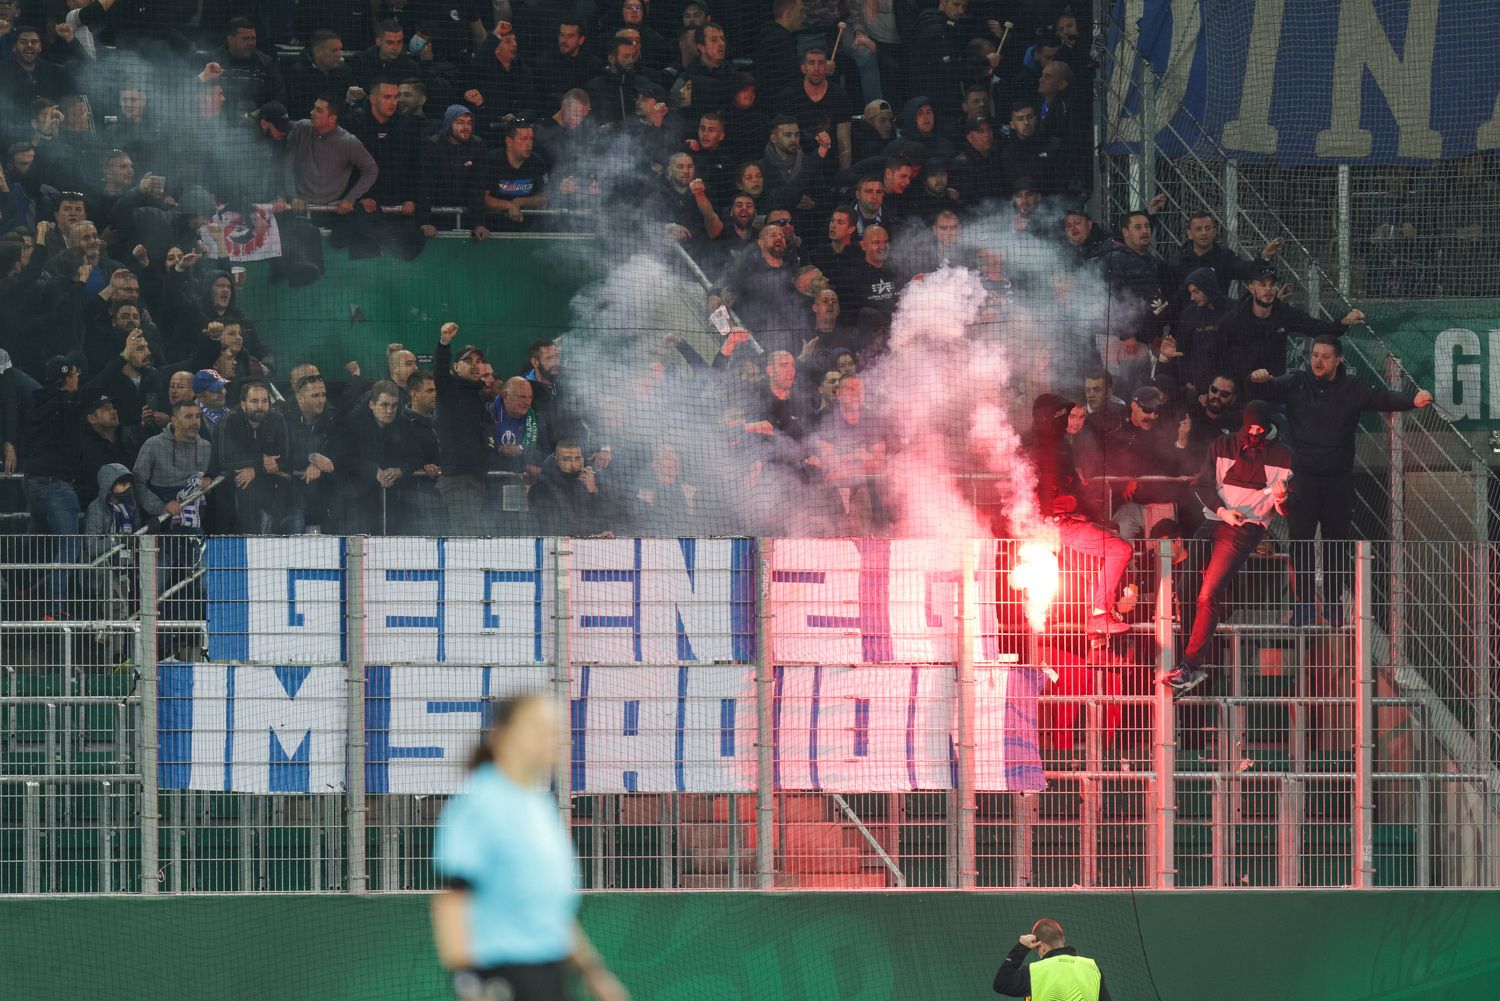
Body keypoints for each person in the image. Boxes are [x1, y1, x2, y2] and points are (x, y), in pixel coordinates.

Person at [432, 694, 629, 1001]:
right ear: (503, 737)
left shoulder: (538, 805)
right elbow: (452, 903)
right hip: (502, 976)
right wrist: (470, 983)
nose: (550, 739)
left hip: (549, 973)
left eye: (554, 730)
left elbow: (549, 911)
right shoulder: (479, 802)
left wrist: (592, 972)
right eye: (536, 727)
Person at [1249, 336, 1432, 625]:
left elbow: (1381, 399)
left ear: (1338, 360)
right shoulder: (1296, 383)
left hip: (1338, 479)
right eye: (1315, 355)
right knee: (1300, 543)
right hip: (1303, 478)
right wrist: (1260, 379)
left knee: (1337, 543)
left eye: (1325, 356)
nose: (1318, 361)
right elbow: (1267, 389)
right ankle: (1305, 604)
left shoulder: (1352, 388)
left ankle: (1333, 602)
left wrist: (1412, 400)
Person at [1165, 400, 1293, 695]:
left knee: (1209, 593)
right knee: (1186, 589)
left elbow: (1285, 509)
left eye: (1261, 429)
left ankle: (1191, 664)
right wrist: (1223, 511)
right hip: (1216, 518)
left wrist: (1283, 498)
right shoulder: (1222, 446)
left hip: (1246, 527)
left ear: (1269, 427)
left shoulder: (1283, 456)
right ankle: (1188, 661)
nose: (1255, 433)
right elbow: (1203, 485)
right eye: (1251, 428)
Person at [1025, 393, 1132, 635]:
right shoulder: (1047, 445)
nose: (1068, 421)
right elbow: (1047, 485)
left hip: (1060, 522)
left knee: (1096, 571)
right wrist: (1048, 517)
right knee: (1120, 550)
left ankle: (1099, 621)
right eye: (1064, 416)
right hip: (1060, 524)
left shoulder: (1055, 443)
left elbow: (1064, 485)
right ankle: (1099, 616)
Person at [1212, 263, 1363, 389]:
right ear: (1251, 287)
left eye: (1272, 285)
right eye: (1262, 284)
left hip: (1274, 387)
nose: (1268, 289)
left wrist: (1343, 322)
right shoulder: (1234, 319)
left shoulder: (1284, 313)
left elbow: (1315, 327)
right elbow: (1216, 354)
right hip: (1241, 389)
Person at [22, 354, 85, 618]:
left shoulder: (39, 402)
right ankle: (54, 609)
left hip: (32, 481)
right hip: (53, 484)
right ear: (67, 378)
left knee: (36, 539)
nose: (79, 376)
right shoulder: (66, 404)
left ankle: (21, 589)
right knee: (69, 546)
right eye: (75, 373)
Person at [211, 379, 297, 534]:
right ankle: (246, 540)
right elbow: (225, 459)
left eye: (265, 401)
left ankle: (276, 540)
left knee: (284, 490)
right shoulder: (230, 419)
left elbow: (284, 457)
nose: (260, 406)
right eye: (254, 401)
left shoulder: (277, 419)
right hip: (236, 480)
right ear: (243, 404)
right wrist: (260, 461)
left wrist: (255, 469)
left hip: (269, 478)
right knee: (245, 490)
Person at [434, 322, 495, 535]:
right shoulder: (450, 390)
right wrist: (444, 343)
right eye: (468, 361)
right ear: (456, 367)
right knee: (464, 541)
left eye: (479, 361)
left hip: (476, 480)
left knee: (473, 539)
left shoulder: (477, 396)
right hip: (459, 482)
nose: (475, 365)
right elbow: (440, 372)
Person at [993, 918, 1112, 1001]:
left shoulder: (1034, 972)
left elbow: (1001, 983)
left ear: (1041, 947)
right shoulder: (1092, 968)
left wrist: (1021, 947)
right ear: (1063, 940)